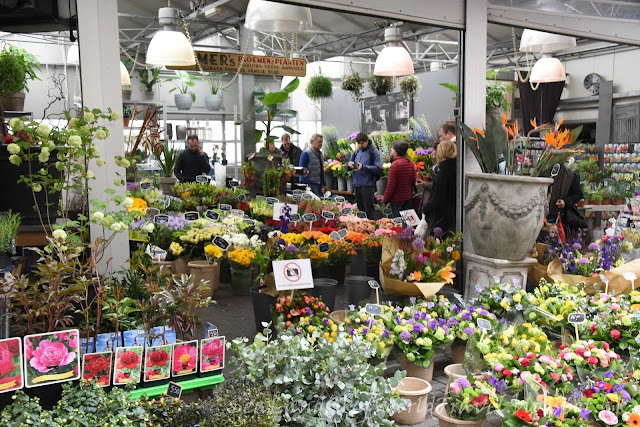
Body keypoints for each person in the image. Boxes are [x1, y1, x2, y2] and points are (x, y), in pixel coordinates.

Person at [423, 140, 457, 236]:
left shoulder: (443, 173)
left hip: (441, 218)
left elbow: (437, 197)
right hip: (454, 214)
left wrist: (426, 209)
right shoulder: (458, 169)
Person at [348, 132, 382, 220]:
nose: (360, 145)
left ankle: (372, 228)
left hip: (368, 185)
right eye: (358, 143)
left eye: (362, 143)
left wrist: (363, 167)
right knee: (360, 210)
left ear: (367, 141)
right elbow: (348, 165)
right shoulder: (356, 152)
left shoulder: (373, 152)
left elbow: (377, 168)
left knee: (369, 209)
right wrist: (350, 165)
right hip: (357, 184)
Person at [546, 163, 586, 238]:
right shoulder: (546, 173)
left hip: (562, 217)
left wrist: (565, 201)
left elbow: (578, 194)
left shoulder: (569, 176)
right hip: (543, 218)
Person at [383, 140, 416, 219]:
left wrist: (385, 199)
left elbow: (391, 185)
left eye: (392, 149)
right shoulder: (410, 164)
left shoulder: (395, 165)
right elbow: (413, 181)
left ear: (396, 151)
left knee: (398, 223)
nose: (391, 150)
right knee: (407, 222)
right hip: (407, 198)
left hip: (396, 199)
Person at [417, 141, 439, 214]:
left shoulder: (439, 168)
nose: (432, 152)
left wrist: (424, 183)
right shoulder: (436, 165)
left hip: (431, 200)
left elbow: (435, 185)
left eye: (433, 150)